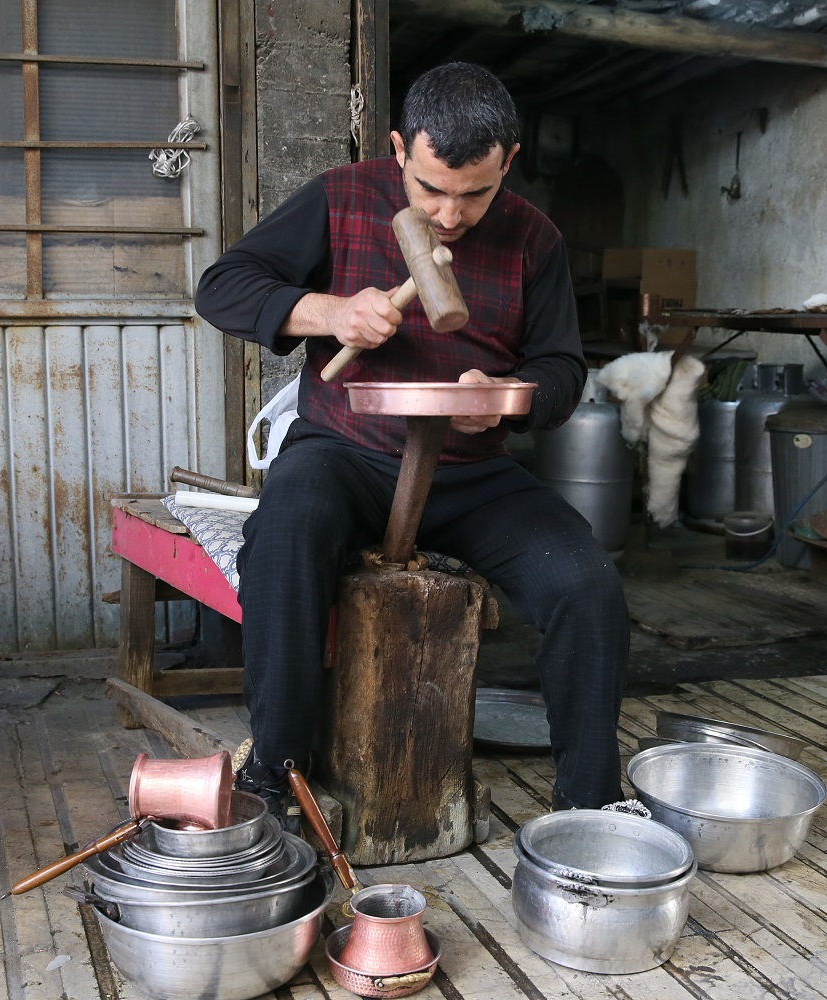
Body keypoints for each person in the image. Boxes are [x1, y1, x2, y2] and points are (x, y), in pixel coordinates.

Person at [195, 62, 628, 820]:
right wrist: (329, 312)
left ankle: (592, 809)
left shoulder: (535, 238)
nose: (450, 216)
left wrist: (503, 400)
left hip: (471, 471)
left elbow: (562, 369)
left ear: (509, 162)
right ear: (399, 148)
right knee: (284, 533)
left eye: (474, 194)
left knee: (586, 585)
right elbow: (221, 287)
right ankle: (275, 777)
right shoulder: (340, 196)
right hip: (343, 450)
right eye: (430, 189)